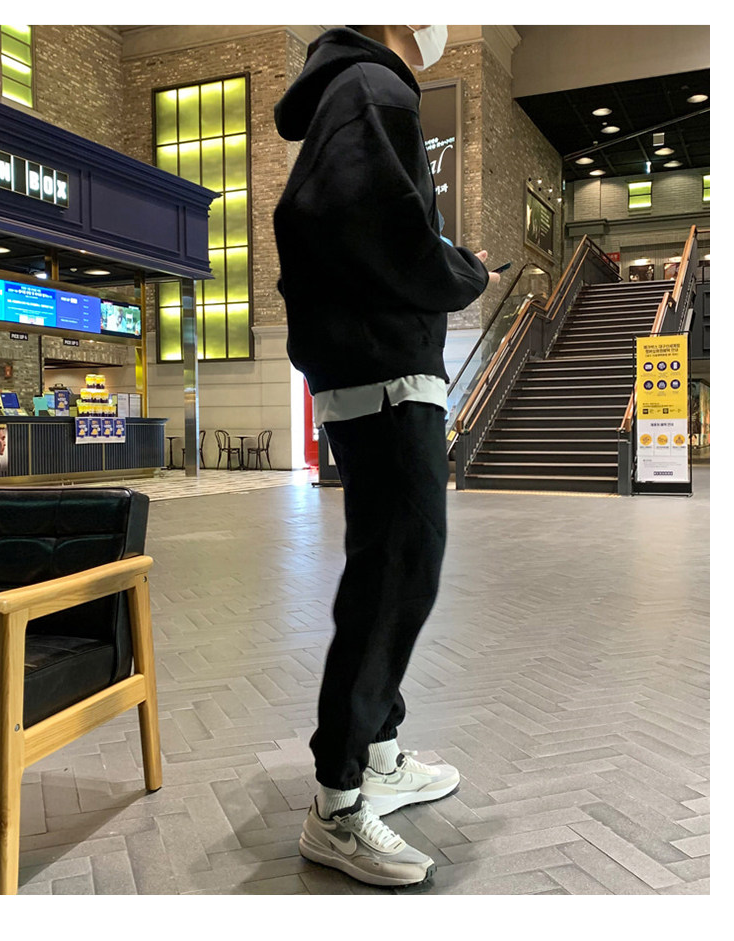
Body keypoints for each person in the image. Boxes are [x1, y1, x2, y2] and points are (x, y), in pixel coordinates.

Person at [273, 25, 500, 888]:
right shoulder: (375, 88)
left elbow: (332, 223)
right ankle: (337, 802)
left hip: (370, 369)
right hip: (385, 372)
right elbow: (377, 227)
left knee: (387, 562)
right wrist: (463, 272)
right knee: (398, 570)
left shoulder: (353, 89)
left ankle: (379, 752)